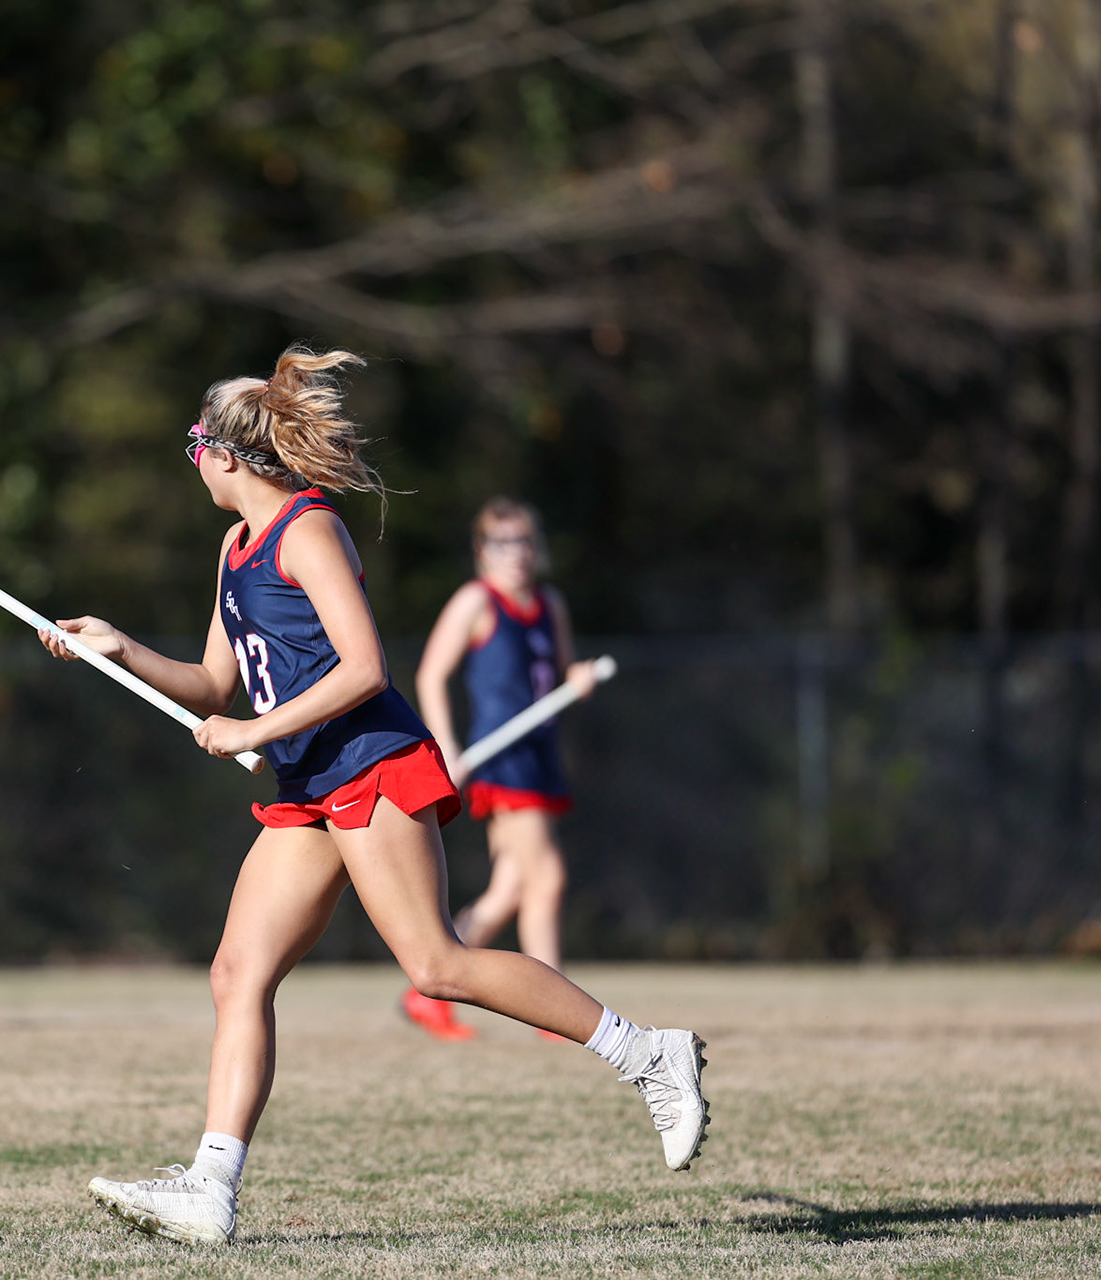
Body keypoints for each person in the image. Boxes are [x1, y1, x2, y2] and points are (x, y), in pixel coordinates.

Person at [38, 347, 707, 1246]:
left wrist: (254, 733)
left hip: (370, 764)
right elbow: (210, 685)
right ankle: (210, 1188)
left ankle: (648, 1053)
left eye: (194, 446)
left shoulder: (309, 530)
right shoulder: (234, 548)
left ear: (225, 455)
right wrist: (118, 648)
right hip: (309, 783)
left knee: (436, 965)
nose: (192, 462)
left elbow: (365, 669)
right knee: (238, 972)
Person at [406, 498, 604, 1042]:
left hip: (540, 757)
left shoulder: (549, 604)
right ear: (482, 551)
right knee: (548, 877)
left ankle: (424, 992)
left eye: (522, 541)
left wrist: (578, 679)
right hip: (501, 760)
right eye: (501, 543)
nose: (514, 553)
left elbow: (561, 674)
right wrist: (446, 743)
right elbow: (430, 674)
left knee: (510, 891)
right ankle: (556, 1015)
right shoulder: (476, 602)